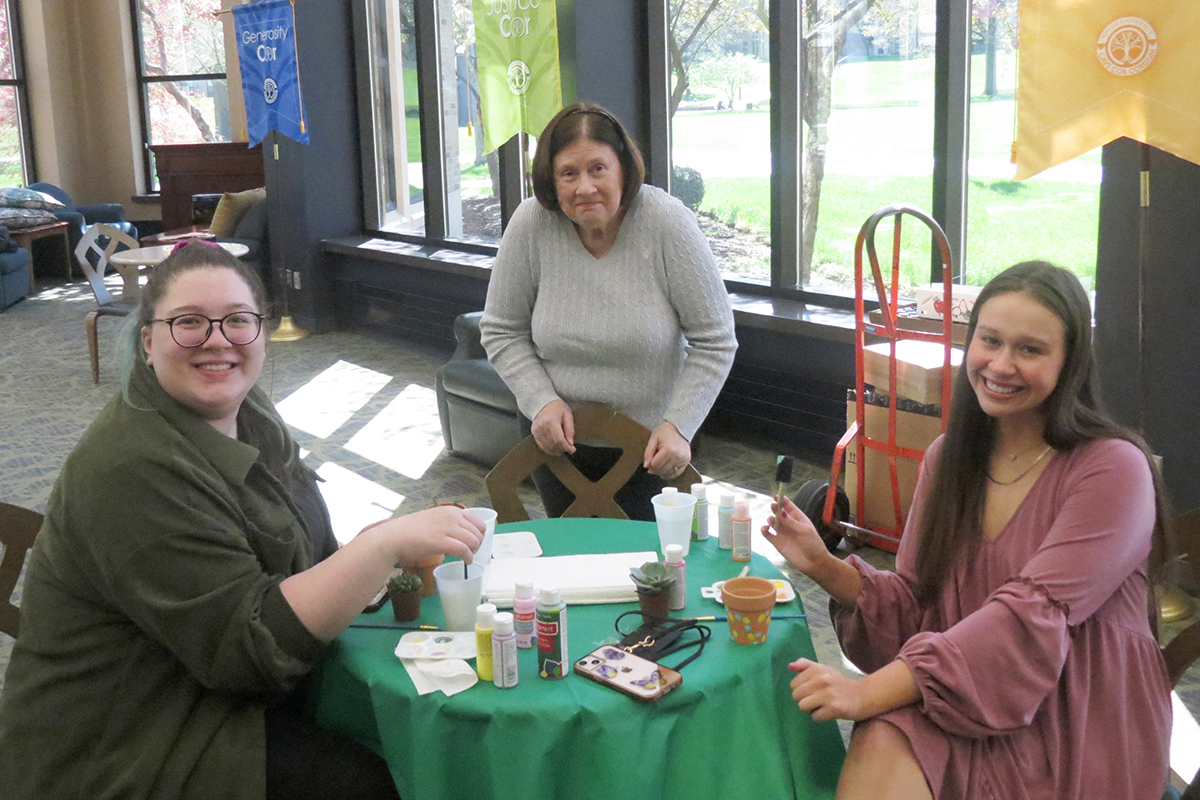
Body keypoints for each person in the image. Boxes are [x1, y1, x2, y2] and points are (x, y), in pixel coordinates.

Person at [0, 243, 485, 800]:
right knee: (373, 781)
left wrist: (380, 547)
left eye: (237, 321)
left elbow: (307, 553)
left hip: (202, 686)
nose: (217, 340)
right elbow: (249, 654)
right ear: (149, 342)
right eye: (189, 323)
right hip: (129, 743)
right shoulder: (130, 467)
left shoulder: (250, 415)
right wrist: (376, 552)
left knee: (404, 732)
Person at [763, 261, 1173, 799]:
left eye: (1030, 349)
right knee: (887, 733)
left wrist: (865, 693)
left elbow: (1028, 620)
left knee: (882, 719)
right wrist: (821, 564)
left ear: (1069, 362)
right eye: (990, 341)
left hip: (1082, 713)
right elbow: (920, 608)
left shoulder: (1113, 468)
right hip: (966, 689)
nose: (1002, 364)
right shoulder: (947, 459)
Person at [480, 101, 737, 521]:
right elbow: (501, 331)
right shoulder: (531, 224)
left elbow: (715, 341)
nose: (585, 187)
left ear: (623, 169)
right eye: (569, 173)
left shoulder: (667, 223)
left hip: (654, 446)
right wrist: (540, 402)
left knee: (650, 573)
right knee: (574, 565)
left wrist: (680, 426)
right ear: (551, 179)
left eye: (598, 168)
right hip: (556, 443)